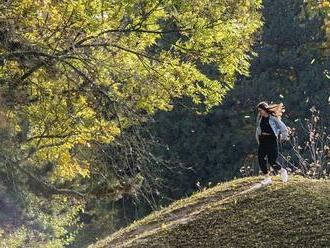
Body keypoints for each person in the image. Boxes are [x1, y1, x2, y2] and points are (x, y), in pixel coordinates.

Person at [255, 101, 289, 185]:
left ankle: (282, 171)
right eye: (258, 111)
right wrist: (258, 140)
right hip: (263, 140)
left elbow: (283, 128)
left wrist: (284, 137)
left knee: (272, 161)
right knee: (260, 158)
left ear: (265, 109)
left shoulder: (273, 118)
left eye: (260, 110)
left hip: (271, 140)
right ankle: (267, 178)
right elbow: (258, 131)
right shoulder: (260, 119)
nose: (259, 113)